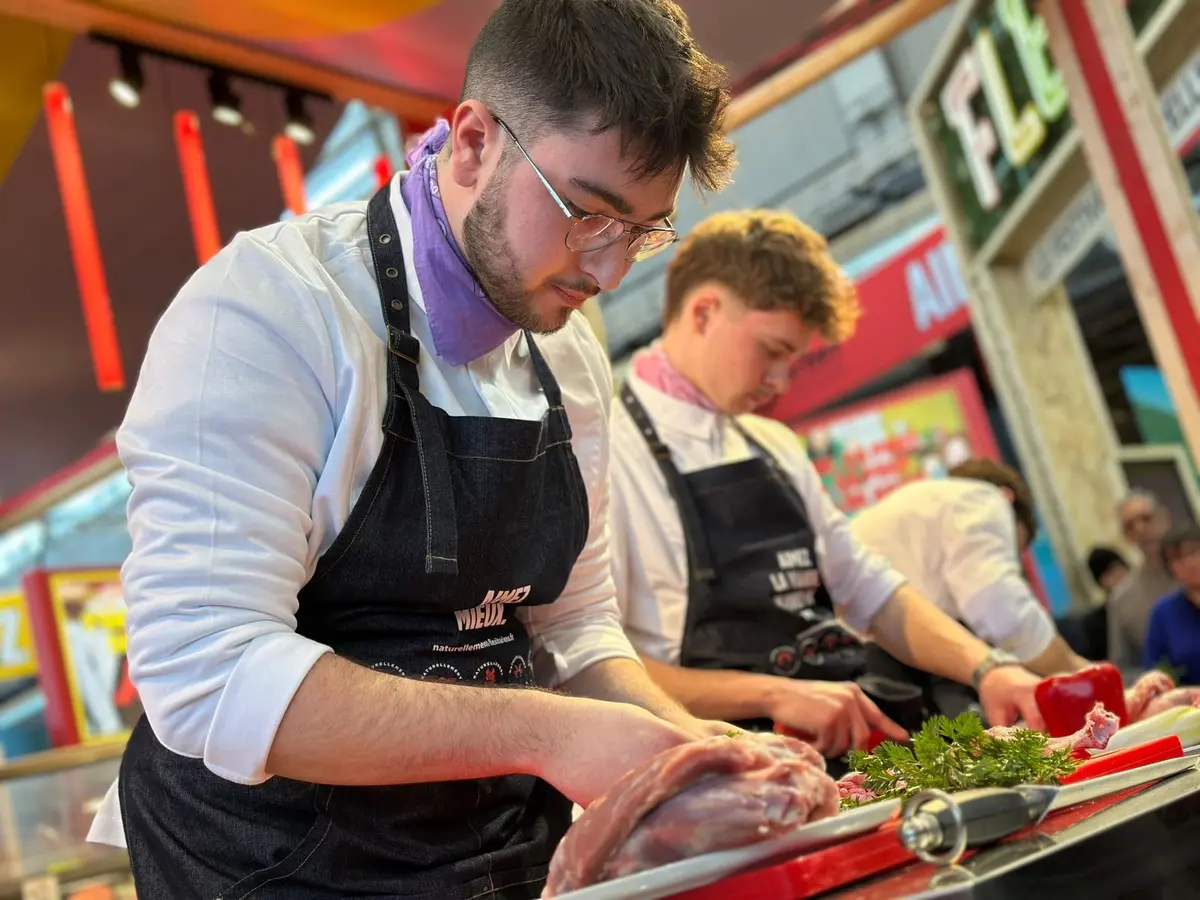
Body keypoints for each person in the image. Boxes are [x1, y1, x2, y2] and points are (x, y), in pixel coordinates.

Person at [85, 3, 740, 897]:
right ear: (473, 143)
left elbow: (575, 626)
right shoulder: (270, 310)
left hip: (498, 850)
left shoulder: (570, 355)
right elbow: (210, 671)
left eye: (642, 231)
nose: (610, 270)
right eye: (590, 214)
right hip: (282, 865)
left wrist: (687, 751)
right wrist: (548, 734)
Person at [609, 209, 1045, 764]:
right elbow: (603, 664)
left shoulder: (772, 444)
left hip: (847, 745)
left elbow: (870, 590)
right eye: (772, 351)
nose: (779, 382)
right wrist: (774, 693)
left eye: (792, 361)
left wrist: (988, 668)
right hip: (725, 765)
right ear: (704, 312)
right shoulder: (608, 452)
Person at [852, 459, 1090, 683]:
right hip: (871, 663)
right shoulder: (984, 499)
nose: (1013, 564)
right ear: (1007, 497)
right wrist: (1077, 671)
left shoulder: (922, 508)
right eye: (1014, 550)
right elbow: (1001, 611)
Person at [1108, 490, 1176, 674]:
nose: (1140, 529)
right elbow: (1123, 666)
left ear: (1164, 518)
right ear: (1126, 536)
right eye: (1130, 526)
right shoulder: (1122, 598)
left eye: (1146, 519)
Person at [1142, 525, 1200, 684]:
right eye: (1178, 558)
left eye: (1194, 552)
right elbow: (1154, 672)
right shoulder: (1163, 613)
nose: (1189, 563)